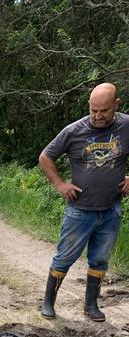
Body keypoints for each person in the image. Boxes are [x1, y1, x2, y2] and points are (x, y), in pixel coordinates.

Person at [39, 82, 129, 322]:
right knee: (64, 257)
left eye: (104, 111)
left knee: (100, 258)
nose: (98, 116)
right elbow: (46, 157)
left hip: (111, 209)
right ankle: (48, 303)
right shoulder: (74, 131)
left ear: (116, 105)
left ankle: (91, 305)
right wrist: (60, 185)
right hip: (79, 210)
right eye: (93, 110)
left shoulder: (126, 125)